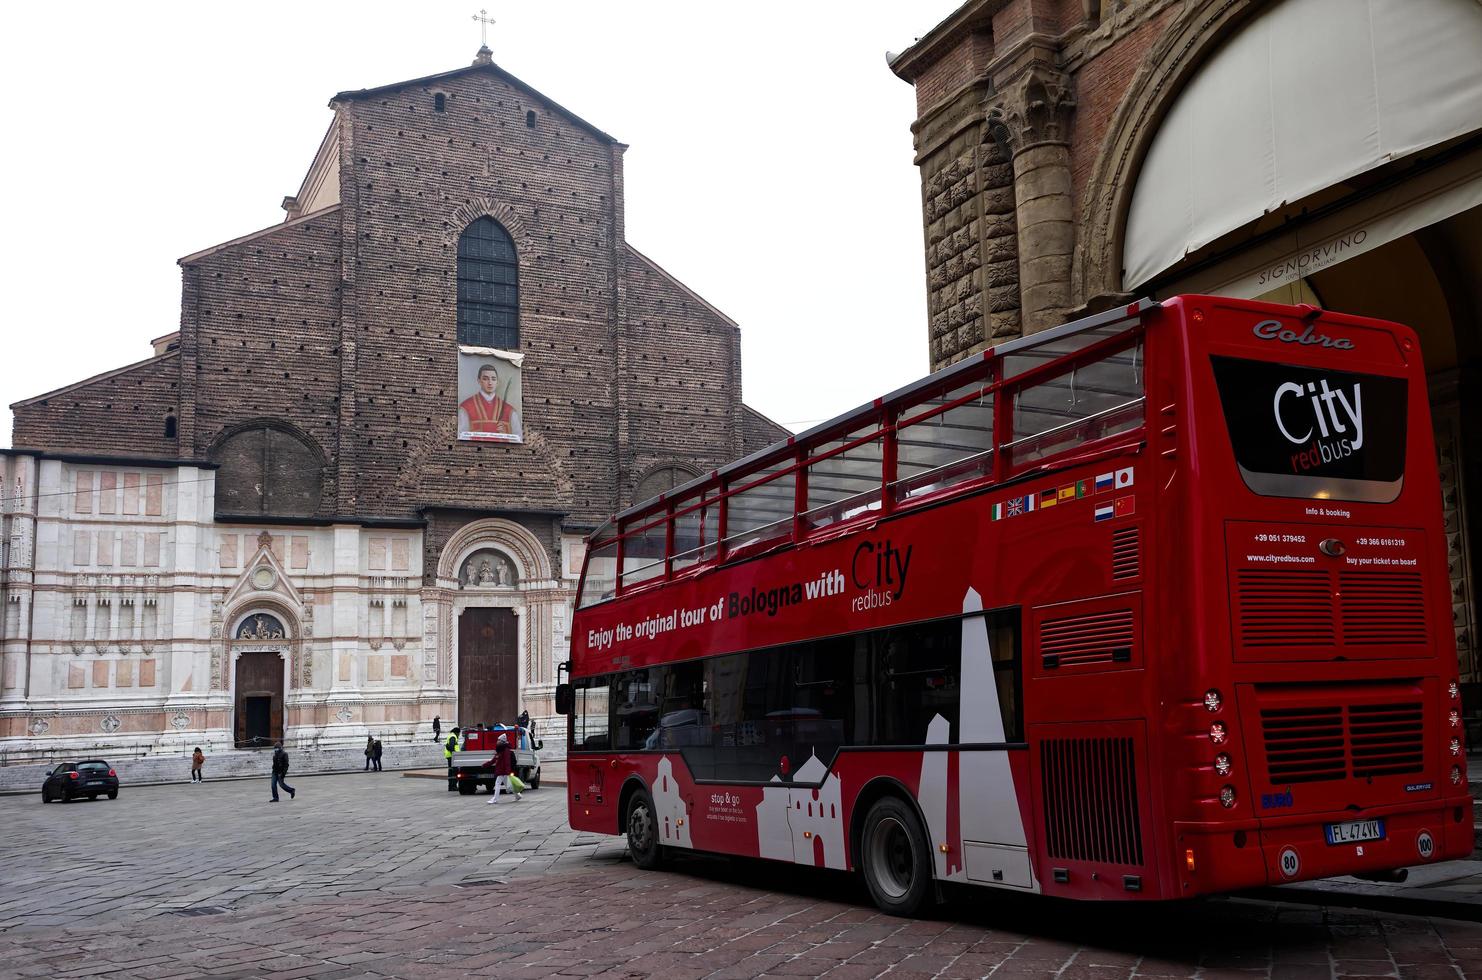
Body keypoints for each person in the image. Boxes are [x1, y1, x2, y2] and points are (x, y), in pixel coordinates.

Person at [458, 363, 519, 437]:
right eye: (485, 379)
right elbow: (461, 435)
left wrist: (506, 434)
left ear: (497, 382)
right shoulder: (466, 407)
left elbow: (518, 436)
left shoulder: (510, 411)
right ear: (479, 381)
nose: (490, 383)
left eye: (493, 379)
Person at [486, 734, 522, 804]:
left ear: (502, 741)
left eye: (498, 740)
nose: (497, 741)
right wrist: (485, 765)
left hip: (503, 771)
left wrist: (507, 771)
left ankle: (495, 799)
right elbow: (494, 759)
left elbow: (507, 761)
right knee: (509, 785)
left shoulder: (505, 750)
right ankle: (517, 795)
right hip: (502, 770)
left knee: (497, 784)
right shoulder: (500, 749)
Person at [445, 727, 461, 792]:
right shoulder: (453, 736)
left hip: (450, 756)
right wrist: (455, 754)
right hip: (452, 757)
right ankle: (453, 786)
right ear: (457, 732)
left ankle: (450, 787)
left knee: (451, 772)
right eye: (459, 733)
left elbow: (448, 746)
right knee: (455, 772)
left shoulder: (451, 735)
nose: (459, 735)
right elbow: (451, 746)